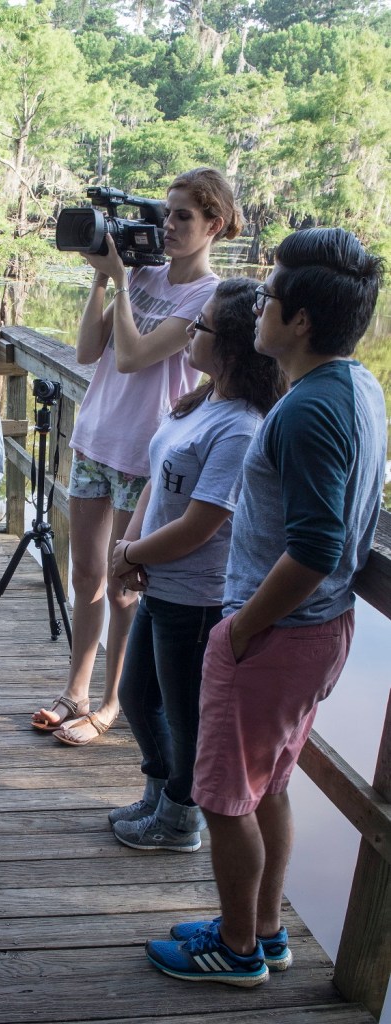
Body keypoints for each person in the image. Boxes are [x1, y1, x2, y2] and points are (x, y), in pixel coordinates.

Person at [146, 228, 387, 987]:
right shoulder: (354, 385)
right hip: (315, 632)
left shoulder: (307, 411)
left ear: (301, 320)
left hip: (274, 633)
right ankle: (262, 926)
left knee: (221, 799)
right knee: (268, 786)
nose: (258, 303)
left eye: (272, 291)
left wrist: (241, 628)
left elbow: (313, 547)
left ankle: (236, 950)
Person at [31, 168, 244, 745]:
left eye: (183, 217)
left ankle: (110, 701)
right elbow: (87, 350)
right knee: (85, 574)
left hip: (143, 450)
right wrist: (102, 279)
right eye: (166, 213)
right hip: (96, 435)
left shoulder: (209, 295)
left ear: (213, 225)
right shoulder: (142, 272)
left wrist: (122, 282)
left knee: (124, 581)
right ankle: (75, 688)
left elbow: (134, 356)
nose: (168, 226)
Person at [108, 278, 286, 854]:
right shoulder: (198, 401)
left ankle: (181, 818)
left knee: (185, 717)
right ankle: (160, 792)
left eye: (202, 324)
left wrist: (131, 556)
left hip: (198, 596)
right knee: (136, 697)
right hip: (160, 582)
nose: (190, 329)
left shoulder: (240, 428)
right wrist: (128, 552)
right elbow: (157, 485)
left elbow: (200, 525)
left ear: (232, 346)